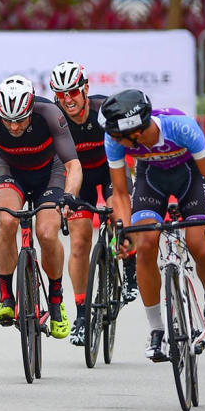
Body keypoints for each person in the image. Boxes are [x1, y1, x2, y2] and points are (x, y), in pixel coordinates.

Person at [100, 89, 205, 362]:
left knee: (200, 246)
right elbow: (121, 193)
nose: (111, 138)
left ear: (134, 132)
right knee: (144, 244)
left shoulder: (181, 127)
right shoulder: (115, 139)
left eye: (115, 134)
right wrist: (122, 229)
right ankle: (157, 329)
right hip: (151, 180)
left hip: (190, 179)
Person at [0, 75, 82, 340]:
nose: (13, 127)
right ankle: (6, 298)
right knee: (7, 222)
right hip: (10, 171)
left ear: (31, 108)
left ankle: (56, 300)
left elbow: (73, 165)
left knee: (47, 233)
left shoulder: (50, 113)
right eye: (8, 120)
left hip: (50, 173)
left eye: (20, 120)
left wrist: (69, 196)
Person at [48, 61, 138, 348]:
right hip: (80, 178)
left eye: (73, 91)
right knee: (79, 241)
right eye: (61, 95)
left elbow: (124, 151)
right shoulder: (55, 118)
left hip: (111, 170)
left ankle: (131, 271)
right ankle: (82, 314)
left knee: (118, 213)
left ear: (85, 88)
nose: (68, 99)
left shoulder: (103, 111)